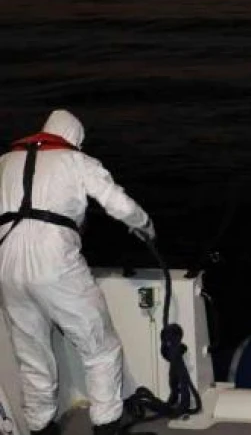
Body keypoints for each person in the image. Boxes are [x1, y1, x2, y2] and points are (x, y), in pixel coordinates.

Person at [0, 110, 154, 435]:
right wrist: (143, 224)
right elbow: (121, 206)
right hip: (55, 266)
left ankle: (40, 427)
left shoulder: (4, 162)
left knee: (32, 353)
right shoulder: (76, 161)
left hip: (6, 268)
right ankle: (107, 425)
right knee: (99, 347)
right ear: (76, 140)